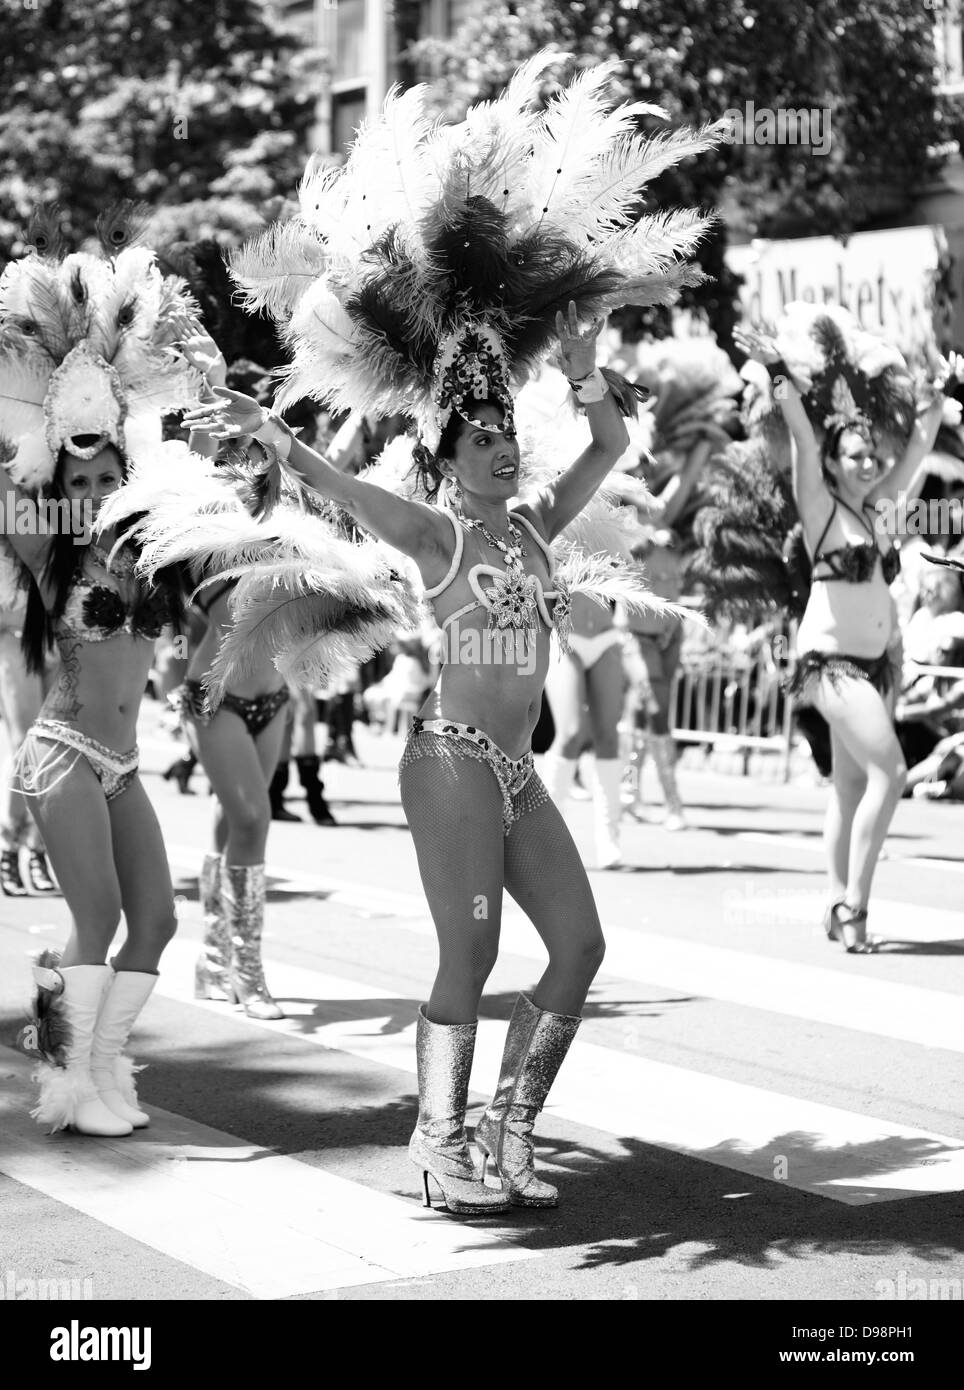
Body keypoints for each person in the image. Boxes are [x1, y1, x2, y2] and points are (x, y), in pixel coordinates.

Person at [184, 53, 718, 1213]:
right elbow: (335, 478)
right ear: (444, 451)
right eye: (476, 431)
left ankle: (510, 1131)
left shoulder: (528, 530)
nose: (496, 442)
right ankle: (438, 1144)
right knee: (469, 961)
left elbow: (613, 452)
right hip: (450, 765)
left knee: (578, 950)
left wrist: (582, 377)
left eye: (500, 426)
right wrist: (263, 432)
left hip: (519, 771)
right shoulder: (435, 534)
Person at [0, 213, 198, 1135]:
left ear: (126, 476)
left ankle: (106, 1066)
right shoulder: (52, 557)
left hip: (122, 764)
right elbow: (16, 501)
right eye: (74, 482)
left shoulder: (155, 557)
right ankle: (70, 1084)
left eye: (101, 480)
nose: (87, 497)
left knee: (153, 923)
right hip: (60, 752)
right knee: (105, 913)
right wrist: (39, 424)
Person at [734, 316, 958, 951]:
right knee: (890, 770)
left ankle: (834, 897)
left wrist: (938, 396)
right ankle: (856, 904)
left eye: (870, 454)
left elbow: (917, 444)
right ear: (832, 463)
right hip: (830, 664)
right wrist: (780, 373)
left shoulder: (881, 506)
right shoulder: (822, 508)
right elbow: (802, 432)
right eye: (854, 454)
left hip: (878, 664)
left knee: (853, 785)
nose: (868, 461)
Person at [0, 595, 60, 894]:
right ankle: (8, 848)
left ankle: (37, 849)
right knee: (26, 743)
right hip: (16, 636)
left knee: (53, 744)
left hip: (60, 637)